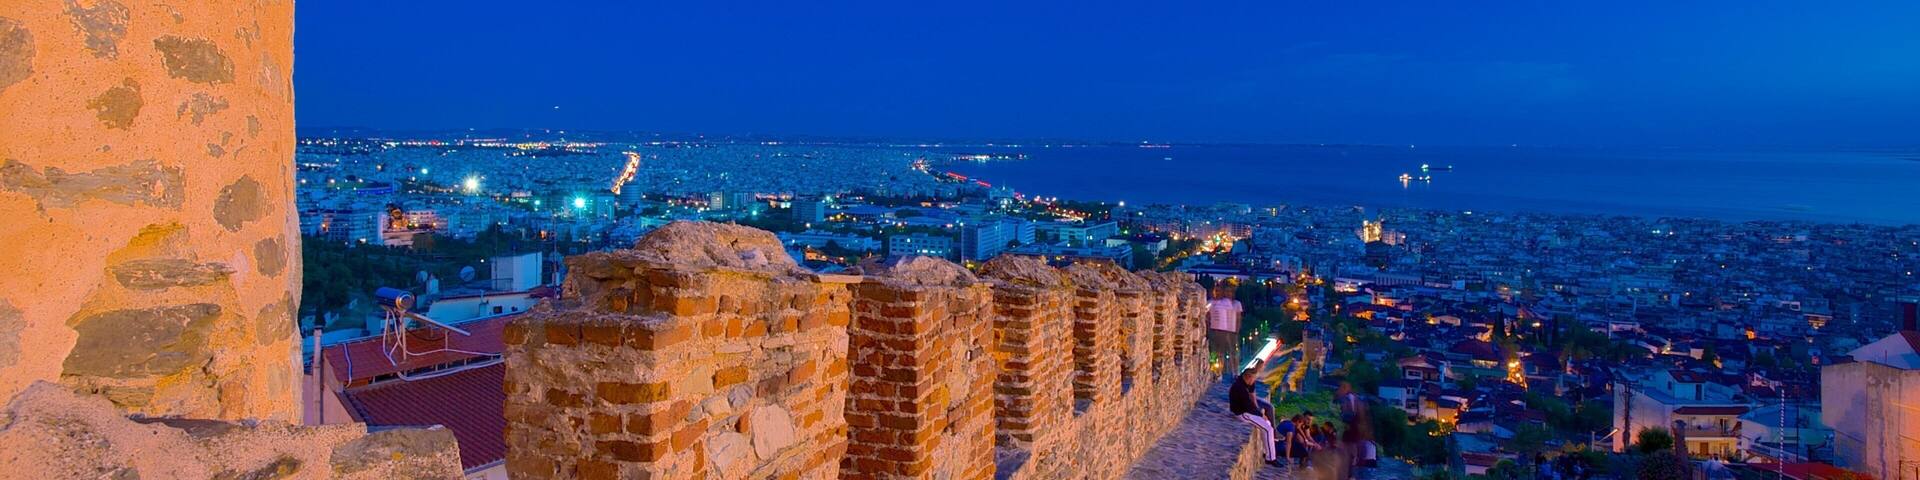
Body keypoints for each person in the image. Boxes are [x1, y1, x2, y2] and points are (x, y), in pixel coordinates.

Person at [1229, 365, 1282, 467]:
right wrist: (1261, 415)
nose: (1254, 381)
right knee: (1268, 429)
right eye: (1253, 379)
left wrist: (1261, 415)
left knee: (1267, 424)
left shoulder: (1243, 383)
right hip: (1242, 414)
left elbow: (1251, 402)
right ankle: (1271, 458)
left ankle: (1267, 452)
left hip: (1246, 411)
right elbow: (1247, 407)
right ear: (1248, 377)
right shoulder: (1240, 388)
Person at [1207, 284, 1245, 378]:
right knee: (1220, 352)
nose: (1228, 293)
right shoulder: (1219, 302)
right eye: (1226, 291)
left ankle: (1235, 372)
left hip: (1232, 331)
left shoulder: (1236, 304)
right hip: (1221, 330)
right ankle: (1219, 372)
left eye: (1230, 291)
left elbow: (1238, 318)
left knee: (1233, 352)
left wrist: (1236, 330)